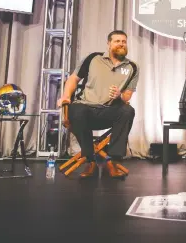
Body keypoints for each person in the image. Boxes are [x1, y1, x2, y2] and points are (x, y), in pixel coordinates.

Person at [57, 30, 140, 179]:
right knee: (76, 110)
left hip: (109, 111)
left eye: (124, 41)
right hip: (86, 107)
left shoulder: (132, 67)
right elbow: (73, 79)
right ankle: (90, 160)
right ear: (108, 44)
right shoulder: (93, 58)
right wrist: (65, 97)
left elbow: (127, 96)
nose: (121, 44)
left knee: (128, 111)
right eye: (117, 41)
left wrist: (119, 96)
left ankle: (113, 159)